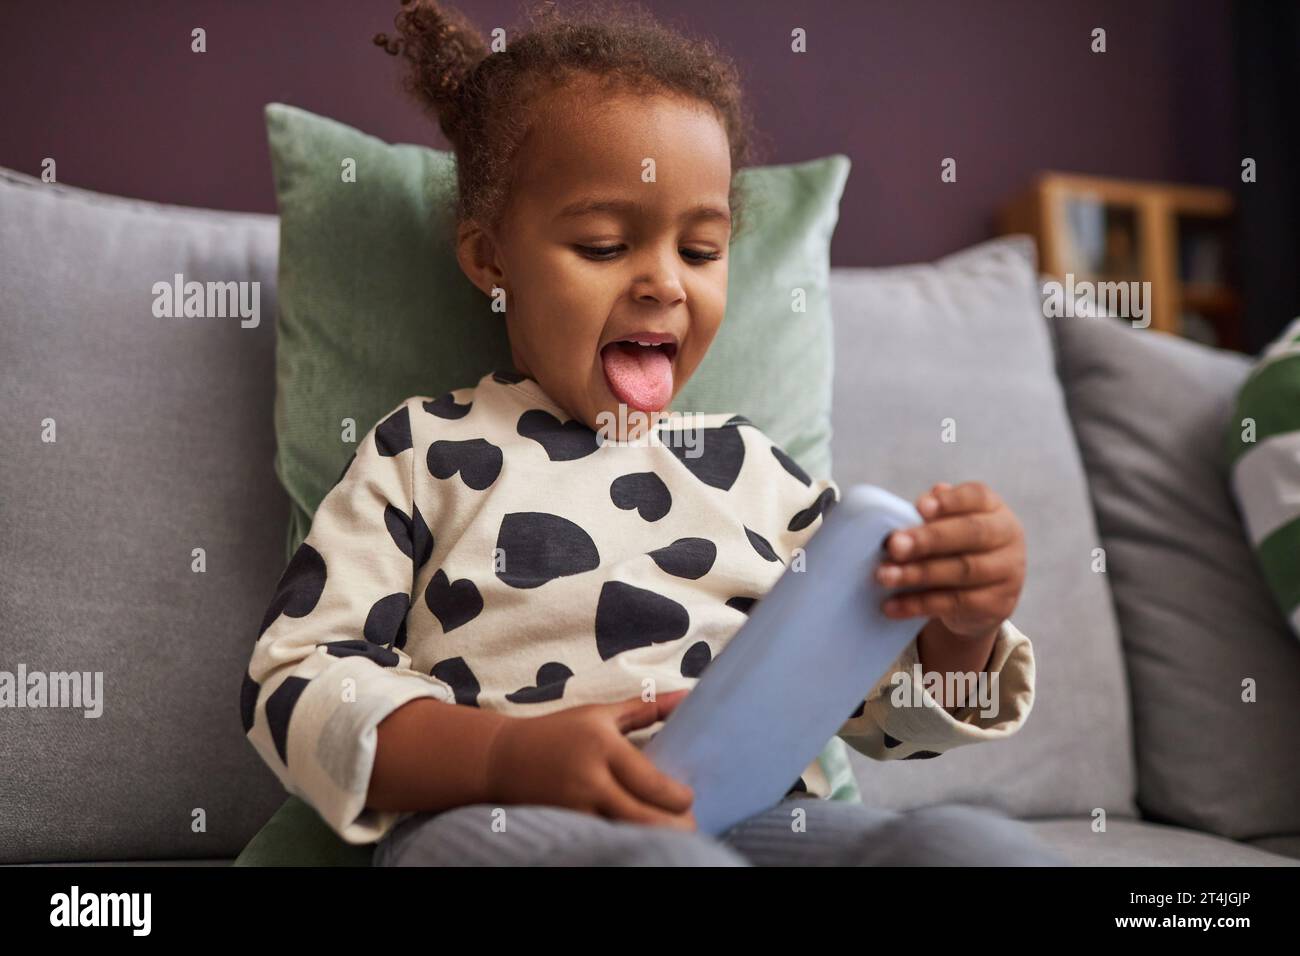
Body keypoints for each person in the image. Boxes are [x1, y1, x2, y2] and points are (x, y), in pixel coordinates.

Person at [241, 0, 1064, 867]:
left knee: (968, 848)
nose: (664, 285)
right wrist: (505, 755)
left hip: (753, 818)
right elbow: (299, 679)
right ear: (491, 260)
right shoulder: (422, 453)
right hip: (492, 816)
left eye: (701, 252)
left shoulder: (755, 476)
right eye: (603, 245)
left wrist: (961, 629)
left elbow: (873, 711)